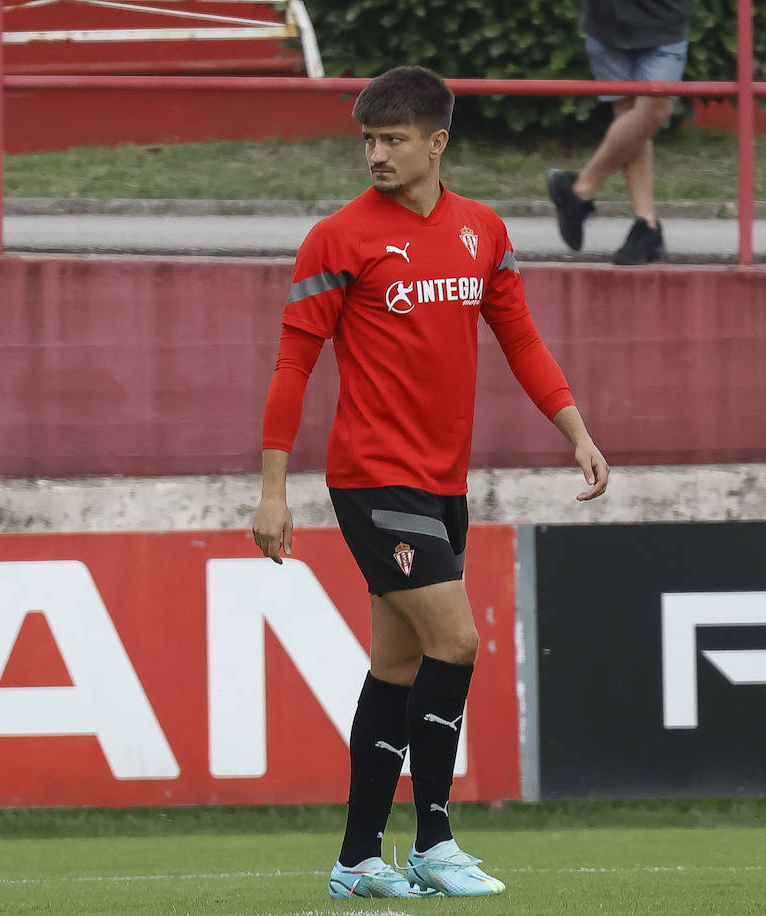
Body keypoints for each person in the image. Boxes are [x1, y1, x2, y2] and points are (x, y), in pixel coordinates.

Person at [251, 66, 609, 899]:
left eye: (393, 139)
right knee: (459, 643)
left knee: (401, 664)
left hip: (445, 484)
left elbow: (521, 340)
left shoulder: (482, 231)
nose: (375, 154)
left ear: (436, 142)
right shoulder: (337, 238)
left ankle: (355, 860)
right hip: (373, 481)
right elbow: (292, 366)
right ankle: (435, 840)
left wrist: (576, 430)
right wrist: (273, 491)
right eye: (368, 140)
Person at [547, 0, 693, 265]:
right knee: (630, 119)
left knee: (655, 110)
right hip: (606, 21)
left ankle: (581, 187)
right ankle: (646, 224)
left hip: (665, 20)